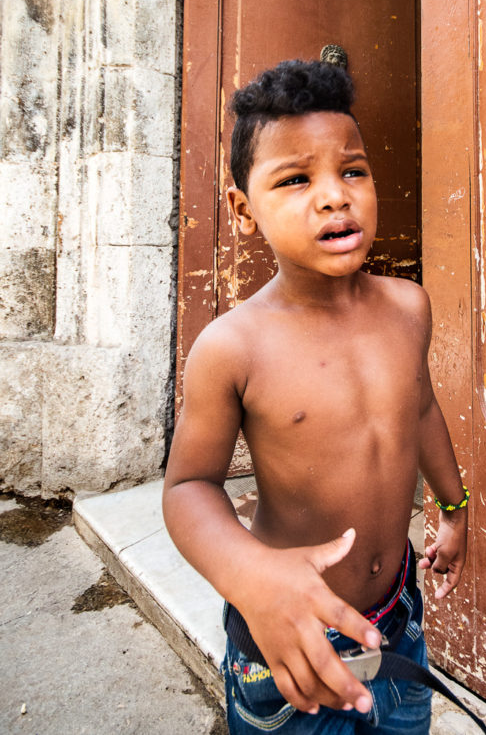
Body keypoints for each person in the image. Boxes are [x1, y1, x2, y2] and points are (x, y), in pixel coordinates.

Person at [163, 58, 469, 734]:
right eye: (297, 179)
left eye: (352, 170)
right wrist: (250, 579)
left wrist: (454, 506)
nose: (335, 195)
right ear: (244, 211)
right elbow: (188, 487)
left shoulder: (408, 307)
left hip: (396, 624)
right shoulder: (231, 347)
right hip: (289, 642)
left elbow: (418, 410)